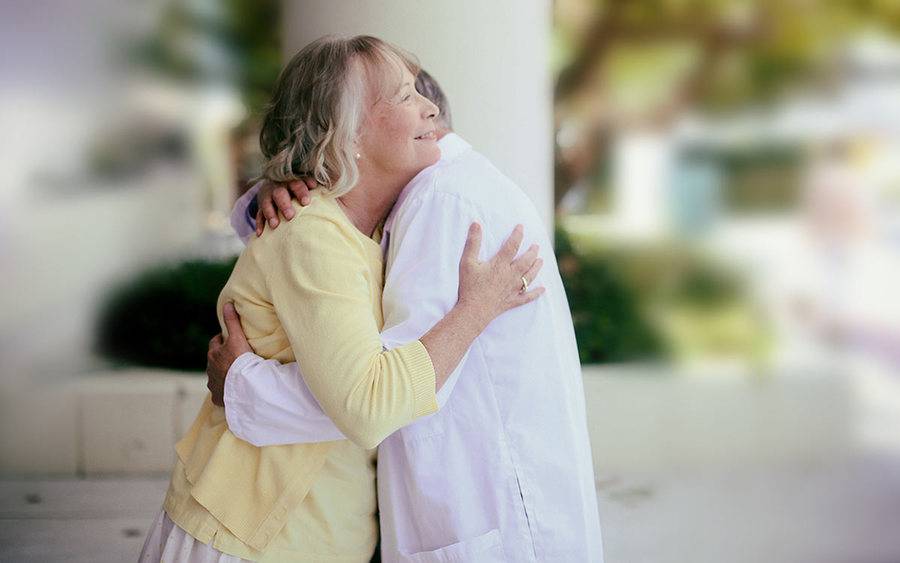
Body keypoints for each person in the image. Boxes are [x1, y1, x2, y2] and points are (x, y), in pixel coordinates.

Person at [140, 36, 543, 562]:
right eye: (403, 96)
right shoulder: (311, 233)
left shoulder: (362, 231)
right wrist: (475, 311)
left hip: (309, 537)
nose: (430, 106)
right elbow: (370, 406)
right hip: (253, 539)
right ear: (347, 132)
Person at [207, 70, 604, 562]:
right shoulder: (446, 189)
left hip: (488, 516)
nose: (423, 109)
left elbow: (379, 393)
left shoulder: (441, 203)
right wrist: (273, 192)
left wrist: (245, 388)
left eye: (412, 96)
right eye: (401, 97)